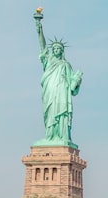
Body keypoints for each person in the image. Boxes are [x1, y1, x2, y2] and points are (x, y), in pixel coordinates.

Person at [33, 8, 83, 146]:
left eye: (58, 49)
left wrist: (77, 80)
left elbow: (73, 88)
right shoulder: (48, 60)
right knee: (49, 113)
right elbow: (42, 45)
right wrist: (39, 27)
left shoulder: (66, 65)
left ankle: (62, 136)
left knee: (62, 113)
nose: (55, 50)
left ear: (62, 51)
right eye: (54, 48)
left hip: (61, 92)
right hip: (50, 91)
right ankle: (50, 135)